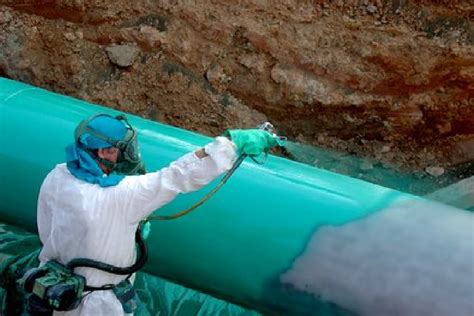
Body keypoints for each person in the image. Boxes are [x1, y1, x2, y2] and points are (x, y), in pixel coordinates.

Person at [32, 113, 278, 315]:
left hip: (55, 289)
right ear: (104, 152)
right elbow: (178, 176)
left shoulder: (58, 176)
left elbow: (47, 230)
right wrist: (231, 143)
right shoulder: (121, 195)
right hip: (98, 306)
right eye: (123, 149)